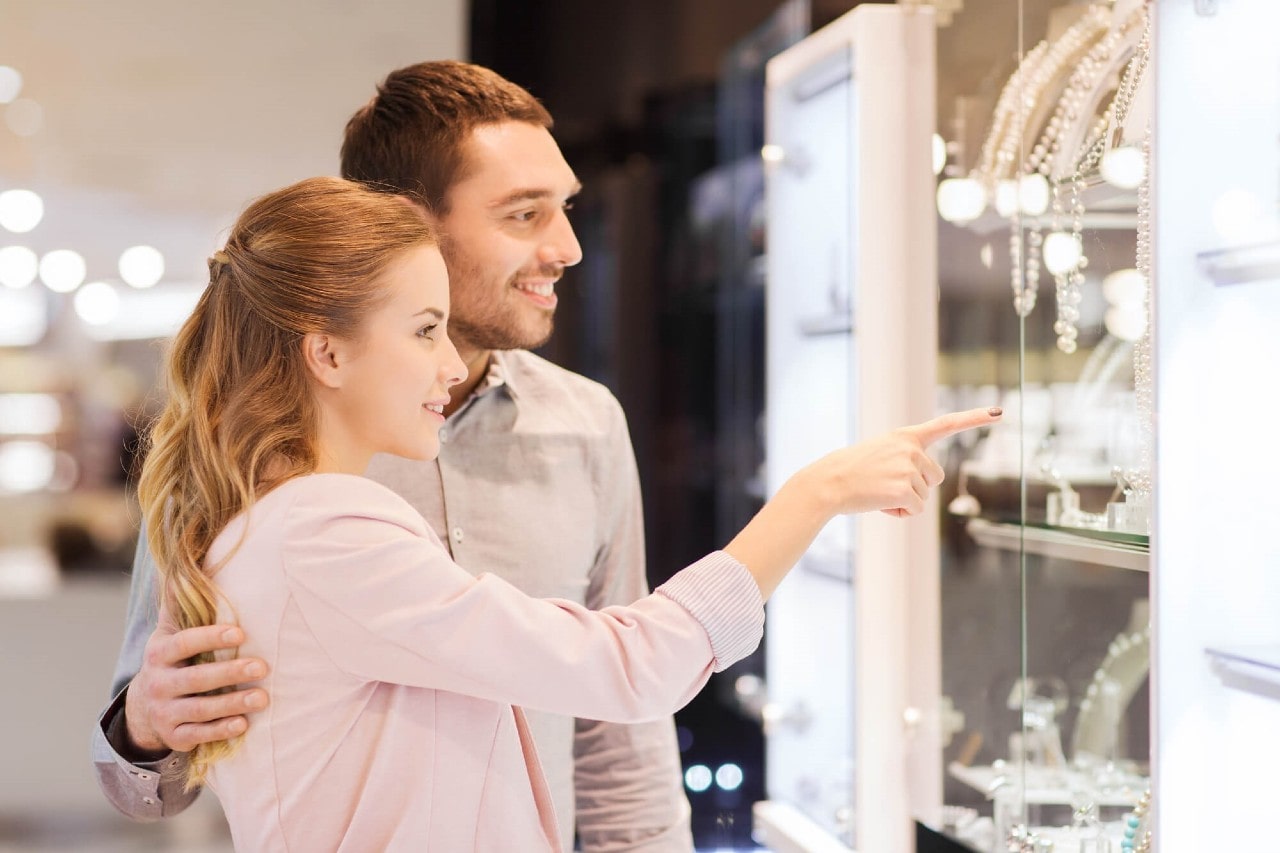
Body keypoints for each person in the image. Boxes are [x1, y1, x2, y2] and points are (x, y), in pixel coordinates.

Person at [133, 175, 1000, 851]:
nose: (448, 364)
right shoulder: (327, 530)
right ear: (326, 351)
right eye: (425, 330)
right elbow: (626, 665)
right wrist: (817, 494)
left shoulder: (267, 522)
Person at [93, 61, 697, 852]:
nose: (569, 247)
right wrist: (144, 723)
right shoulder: (247, 450)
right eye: (524, 214)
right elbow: (139, 778)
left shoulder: (586, 424)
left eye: (566, 209)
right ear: (409, 220)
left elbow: (622, 736)